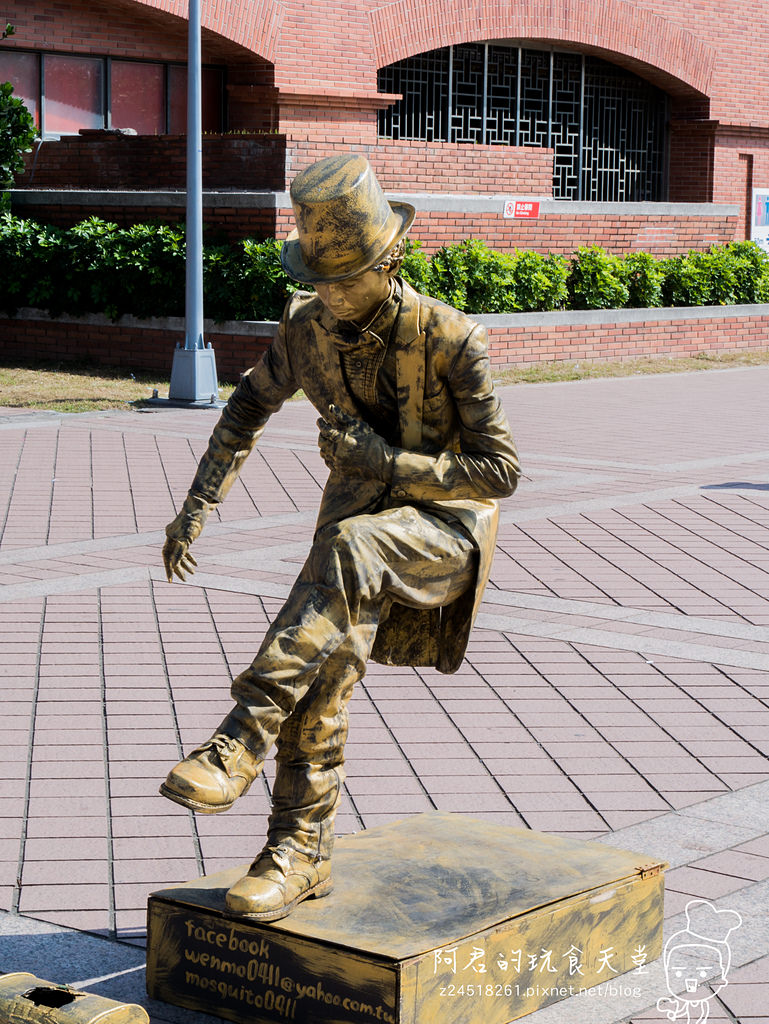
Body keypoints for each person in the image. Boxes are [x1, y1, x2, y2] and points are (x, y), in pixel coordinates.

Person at [159, 153, 520, 922]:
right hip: (347, 543)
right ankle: (298, 854)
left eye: (345, 277)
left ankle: (239, 737)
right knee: (321, 679)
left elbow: (497, 471)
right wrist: (196, 506)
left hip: (440, 534)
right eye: (318, 279)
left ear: (389, 263)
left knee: (355, 547)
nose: (329, 294)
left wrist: (385, 461)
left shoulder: (452, 338)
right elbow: (245, 408)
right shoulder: (306, 330)